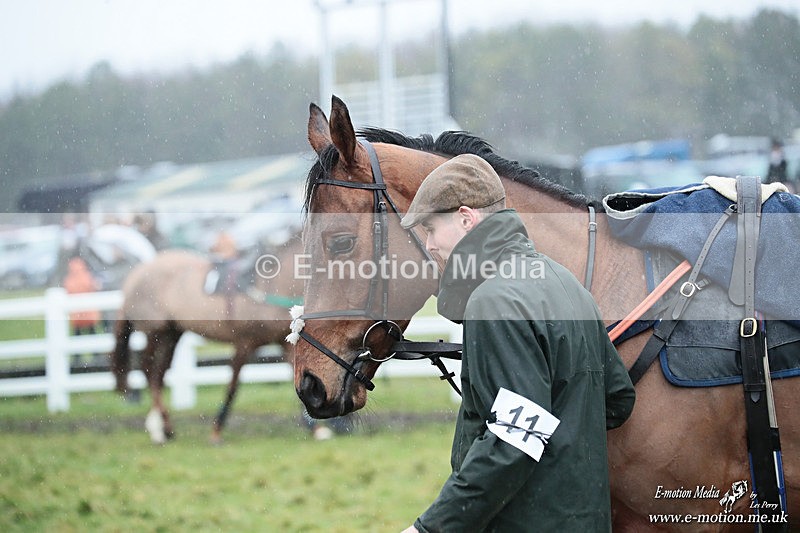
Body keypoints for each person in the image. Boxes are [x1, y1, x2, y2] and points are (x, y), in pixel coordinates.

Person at [398, 154, 636, 532]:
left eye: (431, 229)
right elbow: (617, 398)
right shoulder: (565, 282)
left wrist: (430, 528)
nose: (428, 245)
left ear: (465, 218)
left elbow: (512, 442)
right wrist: (560, 444)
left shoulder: (493, 300)